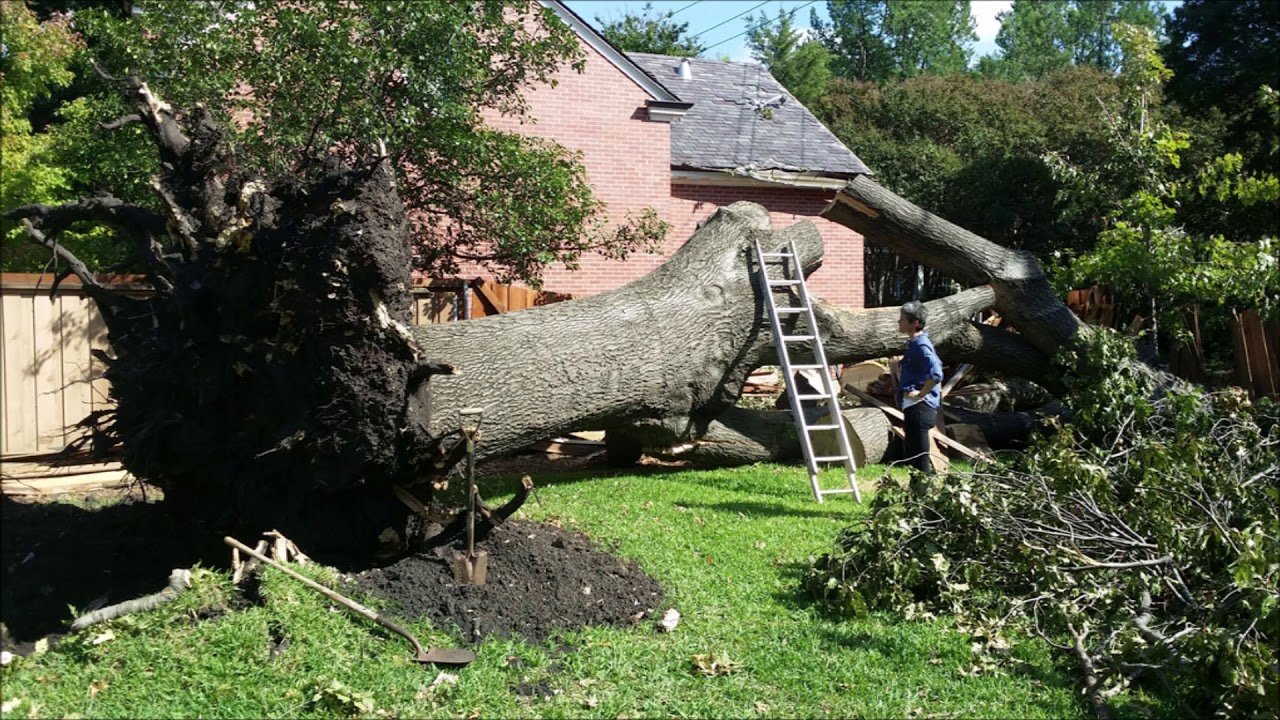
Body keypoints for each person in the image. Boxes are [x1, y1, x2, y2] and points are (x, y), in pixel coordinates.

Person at [897, 301, 943, 474]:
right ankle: (917, 490)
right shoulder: (915, 343)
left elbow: (936, 373)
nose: (899, 322)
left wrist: (921, 393)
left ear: (915, 323)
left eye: (902, 319)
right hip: (914, 407)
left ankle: (923, 490)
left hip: (920, 407)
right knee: (913, 458)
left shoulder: (921, 345)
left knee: (919, 462)